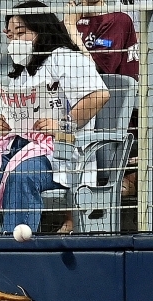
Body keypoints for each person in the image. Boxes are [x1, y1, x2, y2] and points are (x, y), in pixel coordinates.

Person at [0, 0, 110, 236]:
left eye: (21, 33)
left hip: (61, 152)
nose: (14, 41)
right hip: (18, 148)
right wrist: (7, 124)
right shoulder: (22, 71)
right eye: (10, 35)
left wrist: (64, 124)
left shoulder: (65, 58)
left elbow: (100, 95)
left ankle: (13, 255)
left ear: (41, 30)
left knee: (21, 175)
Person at [61, 0, 138, 231]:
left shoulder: (119, 19)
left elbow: (97, 73)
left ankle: (74, 221)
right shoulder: (71, 19)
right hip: (74, 108)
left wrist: (70, 28)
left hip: (111, 114)